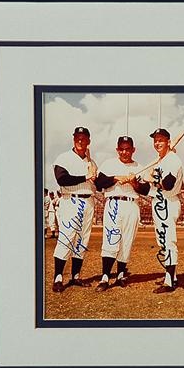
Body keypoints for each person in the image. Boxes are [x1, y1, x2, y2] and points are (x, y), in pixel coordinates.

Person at [135, 128, 184, 294]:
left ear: (169, 142)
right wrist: (135, 182)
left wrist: (153, 178)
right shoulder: (161, 161)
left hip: (168, 202)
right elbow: (146, 188)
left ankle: (170, 281)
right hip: (159, 201)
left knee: (168, 241)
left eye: (161, 139)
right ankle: (173, 276)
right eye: (155, 140)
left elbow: (168, 183)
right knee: (163, 241)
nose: (157, 143)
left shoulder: (173, 160)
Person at [51, 126, 98, 293]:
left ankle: (75, 276)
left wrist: (98, 178)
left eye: (84, 138)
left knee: (82, 240)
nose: (80, 141)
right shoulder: (64, 158)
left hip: (88, 202)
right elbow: (62, 179)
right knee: (66, 238)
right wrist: (86, 177)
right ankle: (57, 277)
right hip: (71, 201)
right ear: (73, 139)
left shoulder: (91, 163)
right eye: (77, 138)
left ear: (88, 141)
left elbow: (97, 185)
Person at [94, 136, 144, 291]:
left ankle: (121, 274)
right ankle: (105, 277)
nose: (124, 152)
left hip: (131, 204)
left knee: (127, 240)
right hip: (114, 202)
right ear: (117, 149)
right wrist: (116, 178)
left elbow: (145, 190)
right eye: (121, 149)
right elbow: (98, 183)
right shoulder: (109, 164)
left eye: (127, 149)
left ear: (133, 149)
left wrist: (133, 182)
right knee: (111, 238)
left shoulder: (139, 166)